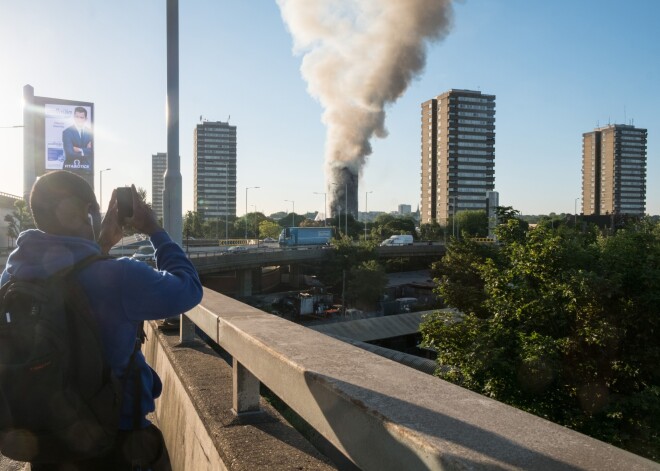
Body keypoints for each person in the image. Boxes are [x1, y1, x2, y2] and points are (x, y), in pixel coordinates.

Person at [0, 170, 203, 470]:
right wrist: (154, 230)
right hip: (117, 442)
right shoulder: (119, 276)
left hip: (46, 443)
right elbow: (188, 288)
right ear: (85, 213)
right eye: (93, 209)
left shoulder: (13, 274)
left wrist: (101, 245)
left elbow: (72, 276)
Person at [62, 107, 93, 172]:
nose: (79, 119)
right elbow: (69, 153)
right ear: (74, 117)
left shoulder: (91, 133)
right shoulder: (67, 132)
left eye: (81, 117)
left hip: (87, 170)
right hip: (71, 170)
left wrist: (79, 150)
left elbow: (92, 152)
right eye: (77, 117)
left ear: (86, 119)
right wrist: (86, 150)